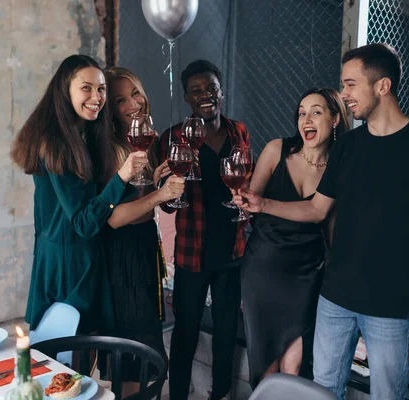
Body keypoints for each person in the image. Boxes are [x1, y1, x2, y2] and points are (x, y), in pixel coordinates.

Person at [233, 43, 409, 399]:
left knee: (386, 395)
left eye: (350, 84)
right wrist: (262, 203)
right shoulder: (347, 146)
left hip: (391, 304)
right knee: (324, 391)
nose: (344, 94)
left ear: (382, 86)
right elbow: (315, 210)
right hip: (335, 298)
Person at [10, 55, 148, 334]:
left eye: (101, 89)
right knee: (68, 361)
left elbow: (94, 202)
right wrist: (123, 175)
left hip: (82, 256)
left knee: (83, 357)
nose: (96, 97)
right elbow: (84, 223)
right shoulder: (56, 144)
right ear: (65, 91)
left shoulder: (83, 134)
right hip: (67, 263)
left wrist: (145, 181)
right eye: (86, 88)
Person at [241, 87, 350, 388]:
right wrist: (242, 199)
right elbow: (252, 201)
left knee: (294, 365)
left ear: (336, 119)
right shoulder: (277, 150)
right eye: (302, 113)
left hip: (305, 274)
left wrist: (335, 270)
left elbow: (326, 221)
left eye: (316, 111)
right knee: (267, 364)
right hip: (263, 267)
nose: (306, 119)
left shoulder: (339, 168)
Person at [158, 59, 251, 400]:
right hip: (191, 255)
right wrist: (171, 188)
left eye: (211, 88)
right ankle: (179, 394)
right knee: (185, 331)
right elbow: (166, 203)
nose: (205, 95)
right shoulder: (174, 138)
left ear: (221, 91)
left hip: (232, 251)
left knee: (227, 331)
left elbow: (246, 179)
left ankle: (220, 394)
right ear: (187, 97)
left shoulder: (238, 131)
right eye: (196, 90)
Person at [102, 67, 185, 397]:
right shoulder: (111, 147)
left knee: (145, 356)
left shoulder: (143, 140)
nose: (133, 103)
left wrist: (157, 184)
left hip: (144, 251)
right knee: (139, 359)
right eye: (121, 100)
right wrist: (159, 194)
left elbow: (141, 201)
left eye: (135, 93)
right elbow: (115, 217)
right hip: (122, 258)